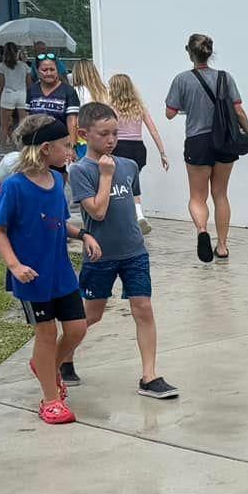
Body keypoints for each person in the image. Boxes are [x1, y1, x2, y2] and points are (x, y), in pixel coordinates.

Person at [56, 103, 180, 400]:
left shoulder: (129, 166)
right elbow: (97, 213)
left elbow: (134, 203)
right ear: (84, 134)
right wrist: (106, 175)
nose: (111, 140)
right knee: (92, 315)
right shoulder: (81, 171)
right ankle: (59, 359)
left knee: (144, 308)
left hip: (134, 252)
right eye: (104, 134)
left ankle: (149, 376)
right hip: (101, 256)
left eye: (115, 133)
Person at [0, 115, 100, 425]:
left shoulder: (56, 182)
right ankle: (50, 399)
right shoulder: (14, 186)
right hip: (32, 275)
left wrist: (83, 235)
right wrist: (14, 265)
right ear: (46, 148)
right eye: (66, 146)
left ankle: (45, 365)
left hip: (60, 271)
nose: (70, 151)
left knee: (77, 329)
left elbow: (59, 222)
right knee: (47, 333)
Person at [165, 33, 248, 263]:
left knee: (197, 197)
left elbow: (170, 113)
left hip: (198, 141)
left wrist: (188, 105)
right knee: (221, 194)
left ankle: (202, 230)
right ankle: (222, 246)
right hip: (224, 141)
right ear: (210, 52)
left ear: (188, 52)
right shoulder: (225, 77)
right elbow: (239, 110)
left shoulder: (182, 80)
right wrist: (247, 134)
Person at [0, 44, 31, 146]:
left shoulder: (2, 66)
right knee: (23, 123)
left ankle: (2, 147)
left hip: (8, 94)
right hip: (22, 95)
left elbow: (1, 83)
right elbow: (29, 83)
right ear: (17, 52)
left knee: (4, 125)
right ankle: (22, 147)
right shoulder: (24, 66)